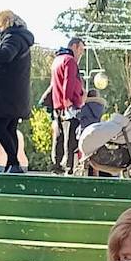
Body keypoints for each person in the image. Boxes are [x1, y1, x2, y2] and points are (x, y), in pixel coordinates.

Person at [0, 11, 34, 173]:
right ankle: (13, 164)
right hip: (15, 92)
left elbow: (5, 55)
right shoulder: (20, 38)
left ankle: (14, 162)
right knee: (9, 128)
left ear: (4, 23)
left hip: (6, 92)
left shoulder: (13, 37)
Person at [50, 36, 85, 175]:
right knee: (70, 138)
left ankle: (56, 164)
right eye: (81, 50)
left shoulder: (57, 60)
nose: (81, 54)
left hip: (57, 104)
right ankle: (69, 167)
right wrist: (68, 100)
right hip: (69, 105)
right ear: (75, 46)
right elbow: (68, 81)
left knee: (58, 135)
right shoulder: (70, 61)